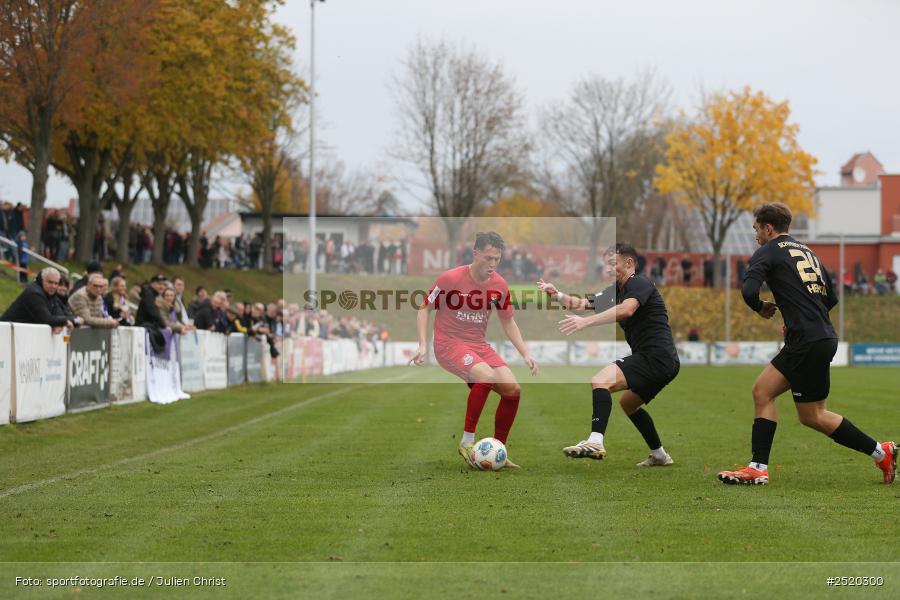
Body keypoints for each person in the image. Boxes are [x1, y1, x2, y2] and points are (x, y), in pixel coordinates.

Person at [717, 203, 895, 485]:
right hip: (825, 337)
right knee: (813, 415)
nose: (755, 236)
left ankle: (757, 467)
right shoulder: (807, 251)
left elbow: (749, 290)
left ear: (768, 228)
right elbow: (831, 297)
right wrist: (803, 314)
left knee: (762, 393)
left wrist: (761, 306)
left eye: (756, 229)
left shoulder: (768, 251)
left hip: (806, 340)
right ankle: (880, 452)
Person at [540, 243, 679, 467]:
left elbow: (627, 310)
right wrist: (557, 294)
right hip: (663, 361)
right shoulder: (616, 291)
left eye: (613, 263)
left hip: (656, 357)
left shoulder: (639, 282)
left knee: (600, 380)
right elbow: (583, 305)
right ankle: (660, 455)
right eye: (606, 265)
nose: (608, 269)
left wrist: (585, 324)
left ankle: (595, 441)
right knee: (628, 404)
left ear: (629, 263)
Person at [410, 231, 538, 469]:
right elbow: (425, 308)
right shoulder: (451, 278)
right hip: (448, 344)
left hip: (478, 345)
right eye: (487, 258)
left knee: (513, 390)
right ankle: (467, 441)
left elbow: (508, 321)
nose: (492, 264)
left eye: (496, 259)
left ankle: (497, 451)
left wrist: (526, 353)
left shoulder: (500, 285)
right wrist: (422, 344)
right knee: (486, 376)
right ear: (475, 253)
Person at [0, 267, 75, 332]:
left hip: (20, 334)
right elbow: (46, 319)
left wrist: (60, 323)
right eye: (50, 282)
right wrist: (64, 321)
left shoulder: (51, 293)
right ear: (42, 280)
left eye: (56, 283)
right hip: (7, 333)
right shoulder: (34, 293)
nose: (53, 286)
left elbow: (58, 312)